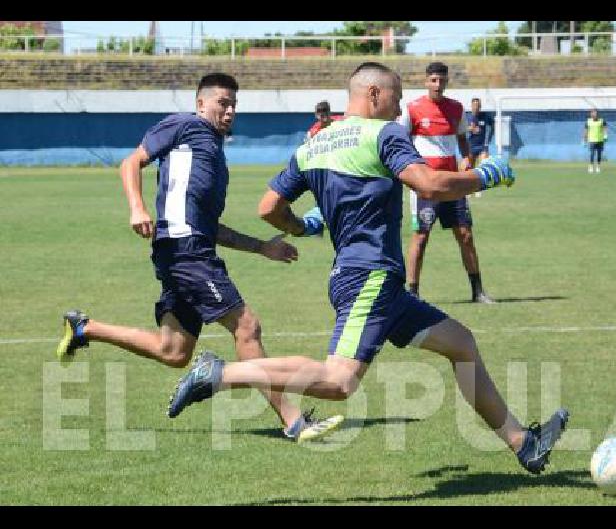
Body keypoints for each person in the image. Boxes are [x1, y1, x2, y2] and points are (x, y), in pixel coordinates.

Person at [166, 62, 570, 476]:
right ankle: (219, 373)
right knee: (340, 383)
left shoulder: (313, 145)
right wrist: (481, 176)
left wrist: (301, 226)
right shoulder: (384, 133)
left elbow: (268, 207)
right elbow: (428, 185)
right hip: (369, 277)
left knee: (461, 344)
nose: (398, 113)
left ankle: (525, 444)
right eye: (395, 101)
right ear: (374, 95)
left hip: (375, 283)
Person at [55, 73, 342, 443]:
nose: (229, 111)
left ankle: (84, 327)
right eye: (222, 102)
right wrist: (137, 207)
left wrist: (261, 248)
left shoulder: (215, 158)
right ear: (201, 103)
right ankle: (294, 422)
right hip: (184, 250)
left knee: (173, 351)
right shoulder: (184, 126)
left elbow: (211, 227)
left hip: (188, 249)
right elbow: (131, 163)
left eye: (234, 105)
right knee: (247, 327)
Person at [399, 62, 495, 303]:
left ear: (447, 81)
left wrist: (467, 159)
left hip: (453, 184)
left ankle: (478, 291)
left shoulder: (456, 109)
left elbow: (463, 139)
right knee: (420, 237)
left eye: (441, 80)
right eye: (433, 80)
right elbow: (401, 142)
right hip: (426, 186)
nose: (437, 84)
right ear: (426, 81)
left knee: (465, 235)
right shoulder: (412, 109)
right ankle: (412, 294)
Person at [466, 97, 494, 169]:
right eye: (474, 105)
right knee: (469, 168)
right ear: (471, 106)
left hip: (482, 146)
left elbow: (493, 125)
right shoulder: (467, 116)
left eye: (478, 106)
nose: (476, 107)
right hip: (470, 146)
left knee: (485, 166)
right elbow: (460, 129)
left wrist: (489, 138)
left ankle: (483, 179)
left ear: (480, 107)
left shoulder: (485, 116)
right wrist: (470, 128)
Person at [583, 109, 608, 173]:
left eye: (595, 113)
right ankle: (591, 167)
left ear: (597, 114)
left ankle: (598, 167)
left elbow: (605, 128)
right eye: (593, 113)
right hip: (591, 140)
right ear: (591, 114)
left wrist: (605, 136)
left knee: (599, 154)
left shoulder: (601, 121)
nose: (594, 115)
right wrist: (584, 140)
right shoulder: (588, 121)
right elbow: (585, 131)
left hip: (600, 140)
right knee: (592, 154)